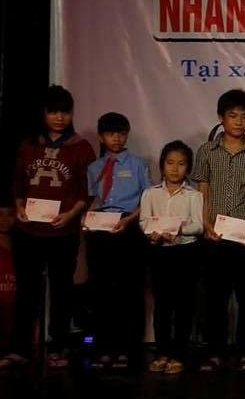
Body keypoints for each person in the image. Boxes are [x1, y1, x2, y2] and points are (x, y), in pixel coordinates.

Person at [1, 86, 96, 370]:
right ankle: (19, 348)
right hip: (28, 232)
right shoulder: (29, 144)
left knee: (62, 292)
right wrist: (19, 206)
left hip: (62, 233)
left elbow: (88, 189)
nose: (59, 117)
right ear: (43, 114)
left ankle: (59, 347)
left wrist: (71, 215)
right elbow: (18, 181)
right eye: (53, 111)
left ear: (71, 114)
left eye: (64, 112)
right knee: (26, 291)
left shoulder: (81, 147)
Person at [194, 89, 245, 372]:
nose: (238, 121)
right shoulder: (206, 151)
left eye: (244, 117)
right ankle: (215, 351)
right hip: (214, 234)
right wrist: (204, 223)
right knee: (215, 297)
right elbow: (202, 189)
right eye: (232, 115)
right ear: (221, 117)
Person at [85, 112, 151, 370]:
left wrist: (128, 220)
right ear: (102, 137)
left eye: (121, 134)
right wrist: (87, 219)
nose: (117, 138)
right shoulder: (94, 167)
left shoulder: (137, 164)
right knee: (101, 291)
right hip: (100, 228)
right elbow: (94, 199)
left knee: (130, 290)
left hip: (128, 226)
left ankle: (129, 349)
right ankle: (104, 347)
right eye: (111, 134)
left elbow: (147, 200)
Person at [141, 140, 204, 375]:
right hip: (159, 253)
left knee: (184, 305)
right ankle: (162, 353)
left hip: (185, 253)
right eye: (170, 163)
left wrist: (178, 230)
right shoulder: (150, 193)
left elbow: (198, 226)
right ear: (162, 165)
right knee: (162, 306)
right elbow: (144, 221)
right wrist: (152, 233)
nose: (175, 169)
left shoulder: (193, 195)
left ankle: (178, 354)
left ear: (188, 168)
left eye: (181, 164)